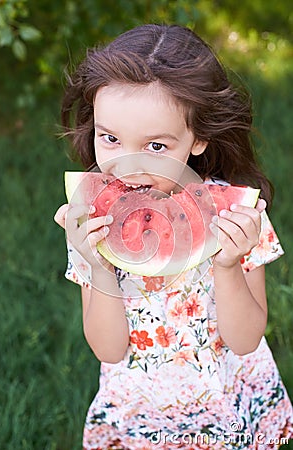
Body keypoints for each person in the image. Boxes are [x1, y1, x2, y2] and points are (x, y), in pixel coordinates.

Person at [54, 24, 292, 449]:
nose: (128, 165)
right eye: (110, 139)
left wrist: (227, 263)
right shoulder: (91, 224)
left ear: (198, 138)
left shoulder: (234, 217)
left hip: (225, 405)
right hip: (140, 407)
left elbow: (246, 339)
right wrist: (97, 263)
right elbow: (108, 350)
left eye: (157, 147)